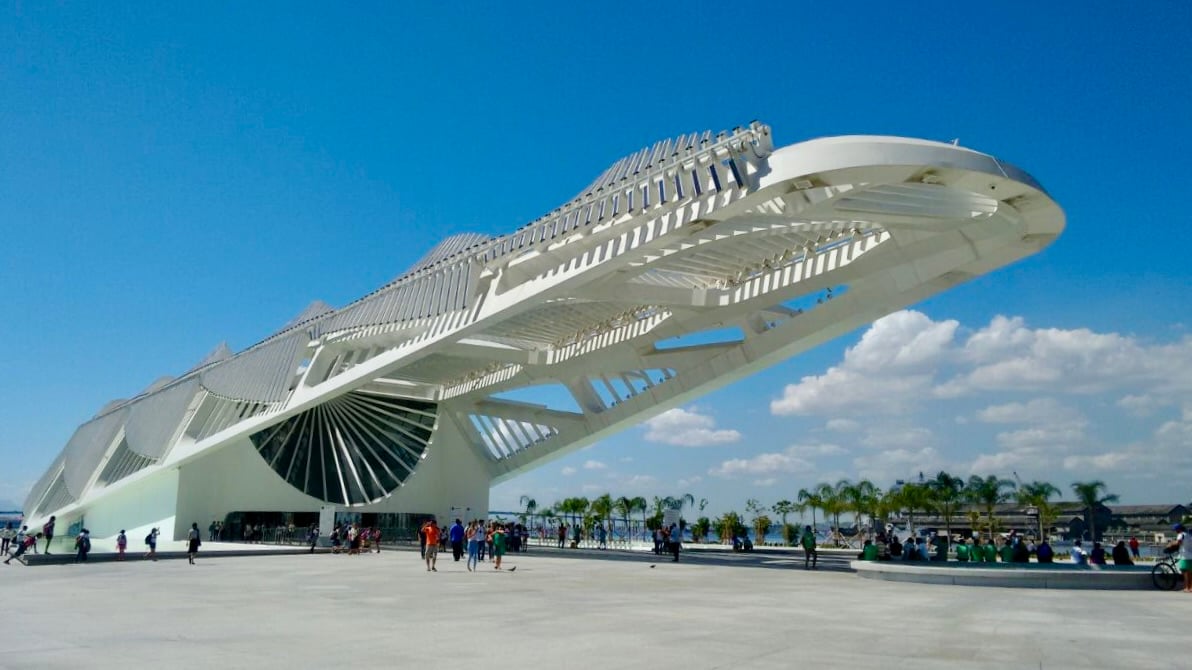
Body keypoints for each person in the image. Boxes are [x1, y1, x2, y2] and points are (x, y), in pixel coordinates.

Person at [1174, 523, 1192, 593]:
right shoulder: (1188, 534)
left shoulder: (1180, 535)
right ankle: (1190, 587)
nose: (1175, 531)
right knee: (1190, 572)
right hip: (1190, 556)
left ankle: (1187, 588)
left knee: (1185, 572)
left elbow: (1178, 543)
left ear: (1178, 529)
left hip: (1185, 556)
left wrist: (1170, 544)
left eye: (1176, 530)